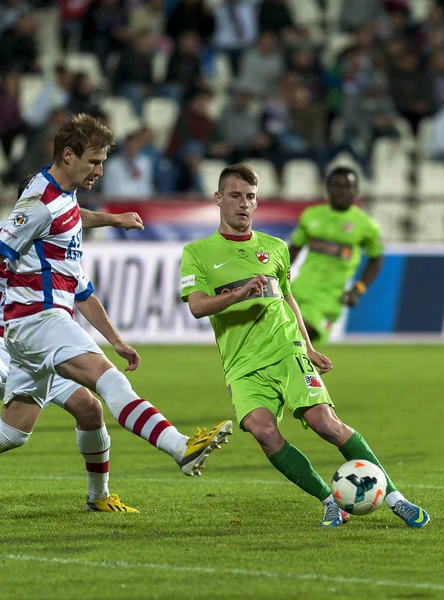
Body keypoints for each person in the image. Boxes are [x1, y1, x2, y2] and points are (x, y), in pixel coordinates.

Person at [0, 114, 233, 529]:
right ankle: (180, 447)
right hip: (37, 320)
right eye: (93, 161)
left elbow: (72, 225)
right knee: (107, 380)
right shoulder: (40, 205)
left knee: (14, 430)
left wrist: (113, 219)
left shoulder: (62, 196)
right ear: (68, 156)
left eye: (103, 161)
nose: (100, 170)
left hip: (28, 327)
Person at [180, 163, 429, 528]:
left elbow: (289, 300)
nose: (243, 204)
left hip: (286, 350)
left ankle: (396, 498)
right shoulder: (198, 252)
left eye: (250, 197)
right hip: (242, 364)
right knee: (264, 433)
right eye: (235, 196)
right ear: (218, 199)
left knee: (326, 423)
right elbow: (198, 306)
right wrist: (237, 294)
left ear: (257, 201)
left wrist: (308, 348)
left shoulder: (275, 248)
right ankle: (331, 502)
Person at [0, 175, 147, 515]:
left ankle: (98, 495)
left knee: (90, 409)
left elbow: (83, 294)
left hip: (33, 343)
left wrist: (116, 341)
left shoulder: (53, 244)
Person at [288, 166, 383, 345]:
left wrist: (358, 289)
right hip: (298, 290)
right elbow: (294, 250)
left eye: (347, 186)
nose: (341, 190)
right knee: (294, 347)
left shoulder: (366, 226)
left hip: (329, 299)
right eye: (336, 185)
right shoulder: (310, 216)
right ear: (327, 188)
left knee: (299, 336)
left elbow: (376, 259)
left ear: (356, 191)